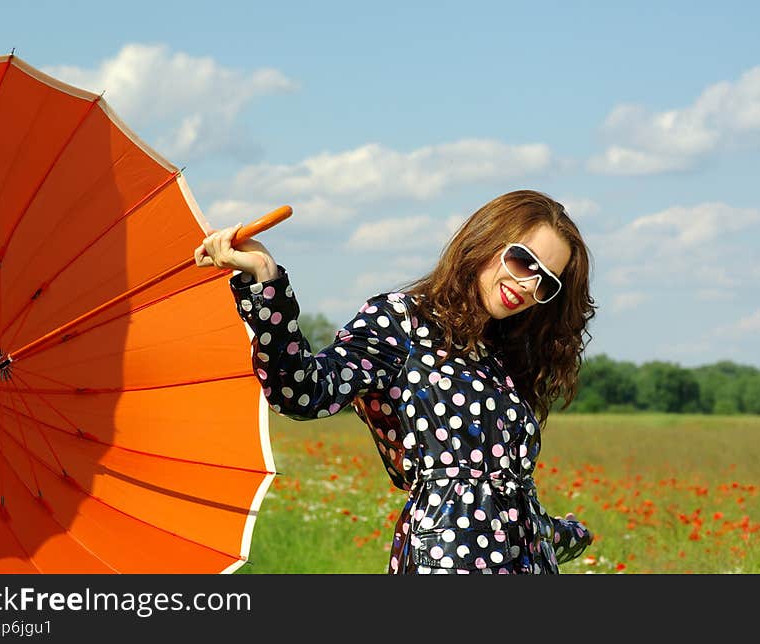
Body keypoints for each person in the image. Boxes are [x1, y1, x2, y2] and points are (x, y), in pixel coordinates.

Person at [194, 189, 596, 574]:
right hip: (447, 562)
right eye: (524, 262)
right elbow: (302, 391)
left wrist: (557, 532)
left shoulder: (501, 355)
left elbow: (500, 490)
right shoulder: (401, 322)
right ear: (486, 240)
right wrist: (265, 282)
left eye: (546, 282)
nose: (529, 285)